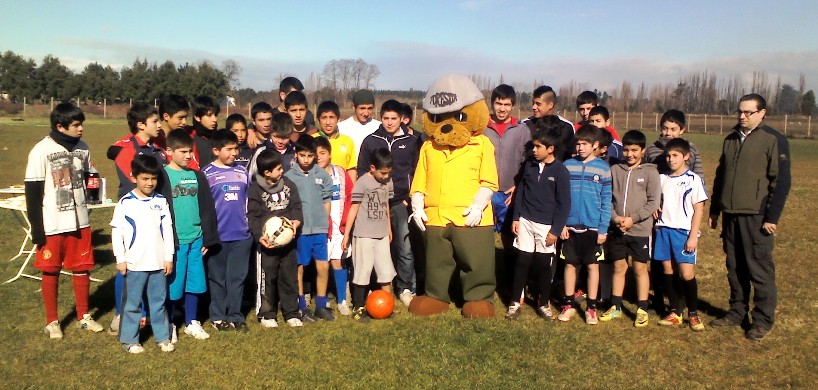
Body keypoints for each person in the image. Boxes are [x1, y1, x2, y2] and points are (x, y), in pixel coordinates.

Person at [708, 94, 791, 341]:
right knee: (734, 267)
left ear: (762, 113)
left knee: (759, 269)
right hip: (731, 214)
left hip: (757, 216)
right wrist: (715, 209)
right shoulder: (731, 139)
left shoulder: (773, 140)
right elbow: (721, 176)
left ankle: (763, 320)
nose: (742, 116)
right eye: (740, 112)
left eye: (748, 112)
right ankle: (737, 312)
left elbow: (782, 182)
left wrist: (771, 216)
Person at [25, 102, 104, 339]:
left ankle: (83, 316)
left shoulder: (83, 148)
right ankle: (52, 321)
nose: (81, 129)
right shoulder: (41, 150)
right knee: (51, 270)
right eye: (76, 125)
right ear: (60, 127)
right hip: (53, 223)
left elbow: (90, 176)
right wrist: (37, 229)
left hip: (80, 222)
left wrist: (94, 188)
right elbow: (33, 192)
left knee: (82, 269)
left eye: (82, 124)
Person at [108, 102, 168, 334]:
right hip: (134, 216)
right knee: (129, 267)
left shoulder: (156, 148)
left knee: (152, 263)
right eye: (154, 122)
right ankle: (121, 314)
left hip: (154, 213)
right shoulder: (126, 149)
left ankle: (149, 312)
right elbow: (129, 178)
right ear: (141, 125)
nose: (159, 125)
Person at [159, 129, 220, 342]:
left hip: (196, 240)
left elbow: (207, 208)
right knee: (174, 285)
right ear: (169, 151)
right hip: (175, 242)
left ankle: (192, 321)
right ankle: (171, 323)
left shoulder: (197, 176)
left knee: (195, 282)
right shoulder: (162, 176)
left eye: (190, 152)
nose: (188, 156)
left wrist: (209, 238)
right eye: (183, 151)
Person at [357, 99, 419, 306]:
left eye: (394, 118)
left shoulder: (411, 142)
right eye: (385, 118)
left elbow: (417, 172)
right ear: (380, 117)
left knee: (404, 246)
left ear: (402, 119)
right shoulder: (371, 141)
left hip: (400, 202)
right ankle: (373, 287)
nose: (390, 122)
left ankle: (405, 287)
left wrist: (408, 199)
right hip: (375, 203)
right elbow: (362, 171)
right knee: (375, 246)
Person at [111, 155, 175, 353]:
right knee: (132, 304)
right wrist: (120, 259)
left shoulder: (161, 201)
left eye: (153, 179)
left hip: (157, 264)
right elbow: (117, 232)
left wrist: (168, 257)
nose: (149, 183)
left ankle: (163, 337)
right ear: (134, 178)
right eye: (145, 178)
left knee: (158, 303)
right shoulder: (125, 203)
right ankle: (130, 340)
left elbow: (168, 231)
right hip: (135, 264)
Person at [505, 126, 571, 320]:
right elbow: (522, 193)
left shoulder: (561, 171)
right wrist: (516, 217)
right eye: (533, 146)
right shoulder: (529, 165)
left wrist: (555, 230)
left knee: (543, 265)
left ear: (550, 149)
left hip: (546, 226)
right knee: (522, 261)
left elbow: (564, 204)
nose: (534, 150)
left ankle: (543, 303)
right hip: (525, 220)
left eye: (538, 146)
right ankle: (515, 301)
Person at [602, 130, 660, 326]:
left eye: (634, 150)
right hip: (617, 228)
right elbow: (607, 198)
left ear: (642, 150)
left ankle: (642, 308)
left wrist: (633, 219)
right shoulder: (615, 170)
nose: (630, 154)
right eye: (626, 150)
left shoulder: (651, 172)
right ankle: (616, 305)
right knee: (619, 267)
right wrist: (616, 218)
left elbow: (653, 202)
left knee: (639, 268)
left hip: (640, 230)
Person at [557, 125, 612, 325]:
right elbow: (560, 198)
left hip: (593, 228)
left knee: (592, 266)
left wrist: (603, 229)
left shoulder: (603, 169)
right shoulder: (567, 165)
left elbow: (606, 201)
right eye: (578, 144)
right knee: (570, 264)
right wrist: (561, 224)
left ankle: (591, 307)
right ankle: (569, 303)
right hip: (569, 227)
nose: (580, 147)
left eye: (585, 144)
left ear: (596, 145)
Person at [654, 138, 708, 331]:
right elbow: (656, 200)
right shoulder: (662, 178)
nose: (671, 159)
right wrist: (655, 207)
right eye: (668, 156)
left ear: (686, 157)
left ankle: (693, 314)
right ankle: (676, 311)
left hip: (683, 232)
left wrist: (693, 236)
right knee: (668, 271)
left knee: (686, 274)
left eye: (675, 155)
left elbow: (699, 210)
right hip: (663, 230)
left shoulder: (693, 180)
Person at [202, 130, 254, 332]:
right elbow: (204, 208)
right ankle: (217, 316)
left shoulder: (242, 172)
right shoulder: (206, 174)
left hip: (241, 236)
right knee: (218, 278)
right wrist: (208, 236)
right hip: (218, 238)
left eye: (236, 148)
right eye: (229, 149)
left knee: (237, 277)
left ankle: (236, 315)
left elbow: (249, 202)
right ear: (216, 150)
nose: (234, 153)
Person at [247, 149, 304, 328]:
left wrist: (296, 221)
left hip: (288, 244)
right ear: (267, 173)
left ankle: (291, 312)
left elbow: (296, 206)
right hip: (268, 246)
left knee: (289, 277)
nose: (282, 171)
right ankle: (267, 313)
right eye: (278, 169)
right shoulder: (255, 189)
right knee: (267, 278)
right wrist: (259, 236)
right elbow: (253, 216)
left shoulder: (289, 185)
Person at [342, 148, 397, 322]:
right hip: (364, 234)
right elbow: (354, 208)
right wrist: (347, 235)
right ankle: (358, 307)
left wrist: (388, 228)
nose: (385, 176)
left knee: (385, 270)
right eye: (382, 173)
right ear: (372, 168)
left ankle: (387, 305)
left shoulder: (388, 181)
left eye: (389, 173)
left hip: (381, 234)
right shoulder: (363, 182)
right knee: (362, 271)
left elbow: (386, 205)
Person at [284, 136, 333, 321]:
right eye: (302, 155)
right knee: (299, 267)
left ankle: (321, 305)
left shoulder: (323, 175)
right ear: (296, 155)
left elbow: (327, 200)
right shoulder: (289, 177)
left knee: (323, 266)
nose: (306, 159)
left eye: (310, 155)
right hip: (301, 232)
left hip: (319, 230)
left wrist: (325, 223)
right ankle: (301, 306)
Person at [483, 84, 529, 234]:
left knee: (509, 237)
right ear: (492, 104)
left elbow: (527, 162)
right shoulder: (482, 128)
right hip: (485, 189)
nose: (502, 109)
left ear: (512, 106)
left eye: (507, 105)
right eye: (499, 103)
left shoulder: (522, 130)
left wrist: (518, 185)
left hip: (509, 192)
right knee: (484, 234)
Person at [315, 136, 353, 315]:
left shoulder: (340, 173)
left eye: (322, 153)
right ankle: (318, 300)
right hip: (320, 228)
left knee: (338, 262)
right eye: (316, 154)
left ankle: (342, 300)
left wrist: (347, 226)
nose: (319, 157)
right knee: (320, 265)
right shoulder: (312, 175)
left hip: (340, 228)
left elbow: (351, 197)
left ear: (330, 155)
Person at [105, 94, 188, 161]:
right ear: (166, 116)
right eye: (180, 118)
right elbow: (113, 150)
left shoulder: (186, 134)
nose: (184, 122)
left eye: (186, 118)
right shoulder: (149, 136)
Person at [645, 109, 704, 179]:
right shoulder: (652, 149)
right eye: (665, 128)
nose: (668, 133)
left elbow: (699, 177)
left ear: (681, 130)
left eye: (673, 129)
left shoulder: (690, 148)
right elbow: (645, 175)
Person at [526, 85, 575, 162]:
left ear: (550, 105)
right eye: (533, 103)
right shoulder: (526, 125)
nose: (534, 107)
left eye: (538, 104)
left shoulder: (566, 127)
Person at [314, 100, 358, 181]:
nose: (328, 122)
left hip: (341, 189)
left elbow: (351, 169)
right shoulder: (312, 140)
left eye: (331, 117)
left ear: (338, 119)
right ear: (318, 120)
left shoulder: (348, 141)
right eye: (324, 118)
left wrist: (352, 191)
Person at [248, 112, 296, 177]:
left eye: (285, 137)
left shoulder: (296, 151)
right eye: (276, 136)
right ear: (270, 132)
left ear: (291, 134)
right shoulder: (261, 151)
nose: (280, 141)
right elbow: (251, 176)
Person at [338, 89, 381, 159]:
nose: (366, 113)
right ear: (353, 106)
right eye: (362, 108)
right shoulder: (341, 128)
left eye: (370, 108)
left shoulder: (379, 127)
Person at [189, 96, 221, 170]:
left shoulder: (220, 137)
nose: (214, 119)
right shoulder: (189, 139)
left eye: (215, 115)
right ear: (197, 117)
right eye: (209, 115)